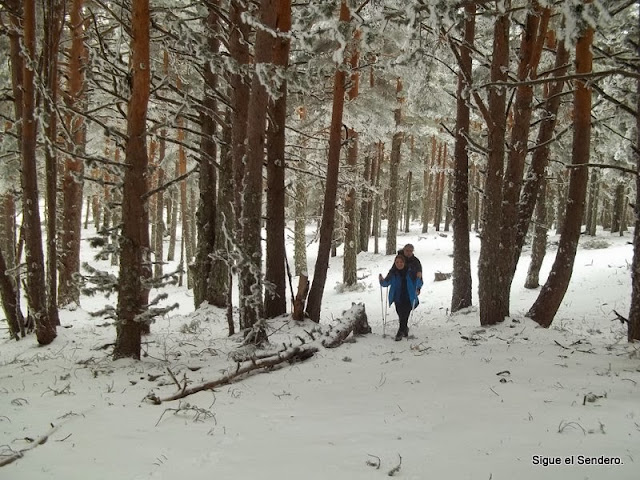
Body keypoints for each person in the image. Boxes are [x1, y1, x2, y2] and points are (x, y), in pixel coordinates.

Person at [379, 254, 423, 341]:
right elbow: (386, 283)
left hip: (409, 297)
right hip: (398, 298)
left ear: (404, 262)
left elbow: (419, 283)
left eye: (401, 262)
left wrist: (418, 282)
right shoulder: (393, 273)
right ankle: (405, 329)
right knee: (401, 315)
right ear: (395, 263)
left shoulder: (411, 272)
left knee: (405, 315)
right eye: (397, 262)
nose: (399, 264)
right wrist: (381, 280)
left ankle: (400, 332)